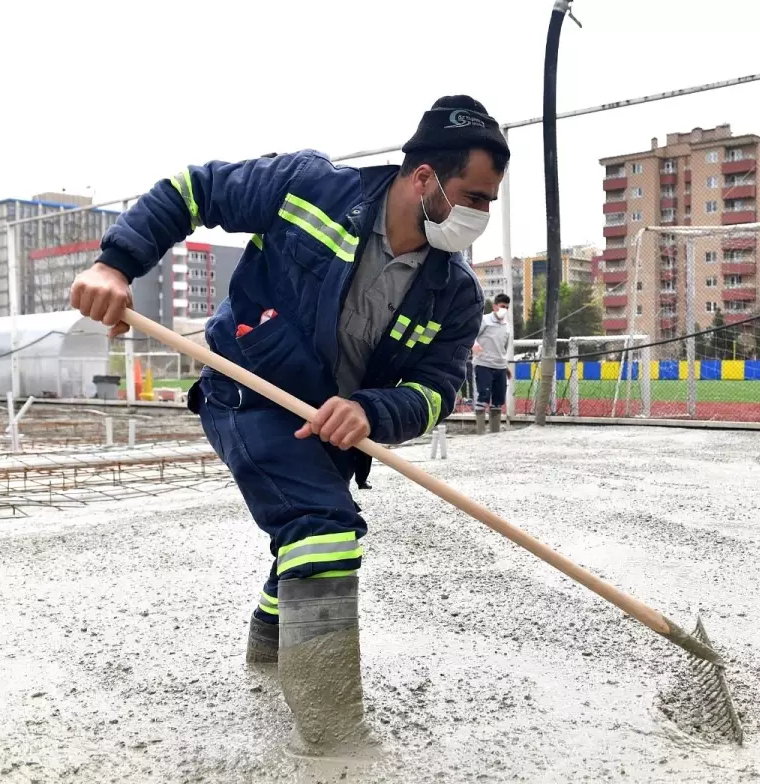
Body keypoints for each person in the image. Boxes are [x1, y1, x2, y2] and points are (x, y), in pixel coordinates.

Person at [68, 96, 509, 750]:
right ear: (424, 179)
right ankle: (331, 733)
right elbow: (194, 191)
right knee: (325, 531)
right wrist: (116, 262)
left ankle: (271, 637)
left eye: (491, 201)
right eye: (474, 195)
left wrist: (370, 410)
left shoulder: (457, 294)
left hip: (332, 429)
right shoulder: (310, 187)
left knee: (307, 531)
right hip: (246, 391)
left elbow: (437, 391)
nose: (481, 214)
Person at [472, 293, 511, 433]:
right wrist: (474, 345)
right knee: (483, 396)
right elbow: (472, 335)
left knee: (498, 400)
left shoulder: (507, 326)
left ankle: (495, 433)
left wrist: (506, 367)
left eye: (506, 307)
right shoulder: (485, 321)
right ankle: (481, 432)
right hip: (484, 364)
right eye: (502, 306)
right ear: (495, 306)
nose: (504, 309)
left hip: (499, 366)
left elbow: (503, 348)